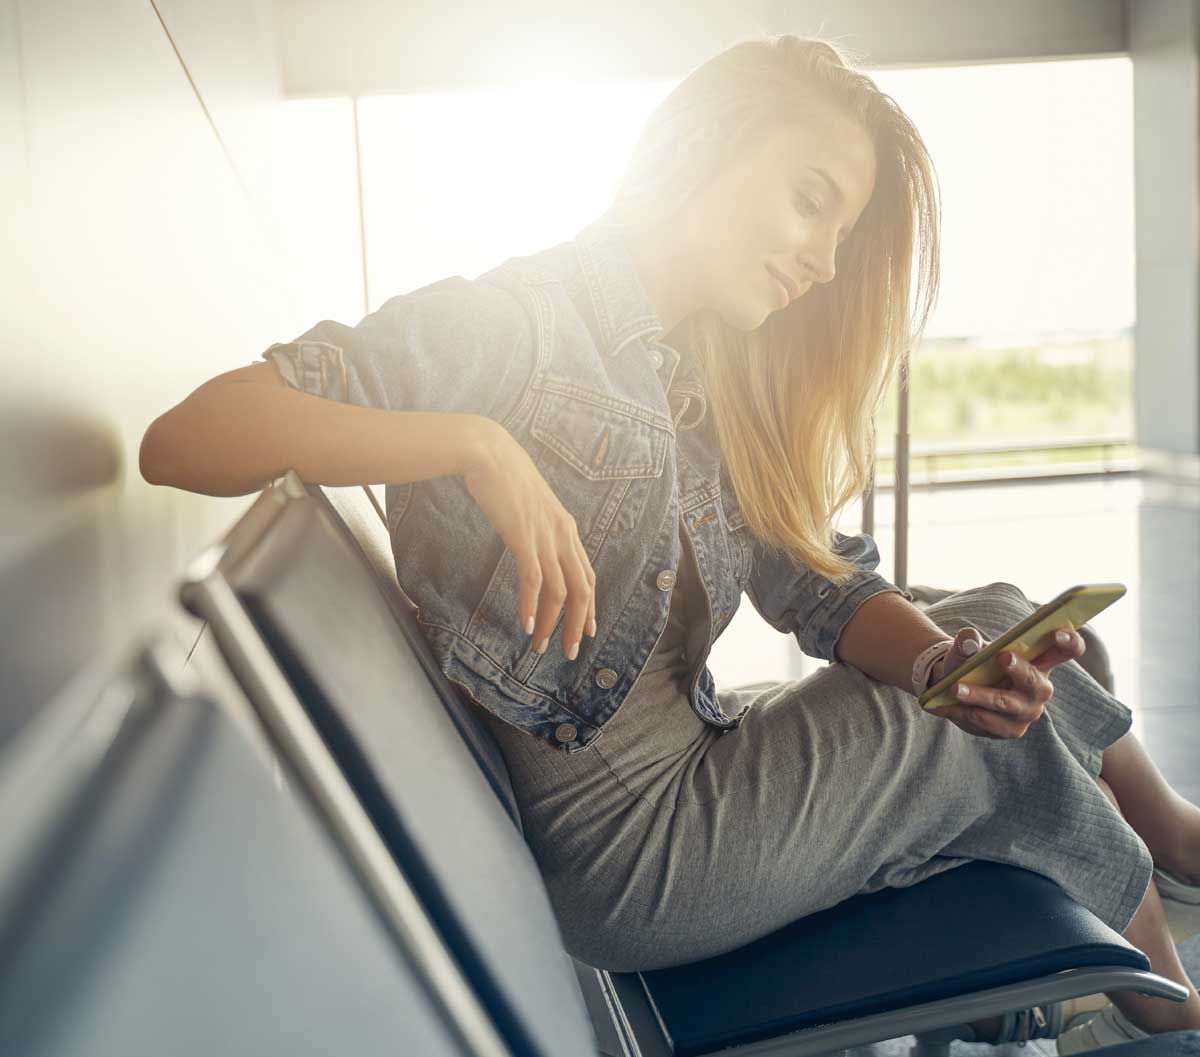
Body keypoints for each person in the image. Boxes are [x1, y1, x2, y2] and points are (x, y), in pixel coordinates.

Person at [140, 34, 1200, 1051]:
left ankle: (1167, 840)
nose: (825, 263)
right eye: (811, 201)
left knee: (996, 627)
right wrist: (472, 445)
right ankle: (1159, 1007)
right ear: (702, 148)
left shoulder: (699, 374)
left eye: (841, 232)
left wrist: (936, 665)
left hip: (696, 765)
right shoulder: (516, 325)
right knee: (972, 736)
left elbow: (820, 587)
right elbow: (186, 437)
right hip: (639, 853)